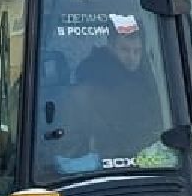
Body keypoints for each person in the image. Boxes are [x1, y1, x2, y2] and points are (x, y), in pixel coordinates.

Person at [59, 14, 172, 170]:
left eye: (137, 51)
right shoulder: (89, 86)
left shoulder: (154, 82)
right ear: (110, 47)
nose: (131, 57)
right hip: (103, 168)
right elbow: (72, 144)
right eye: (125, 50)